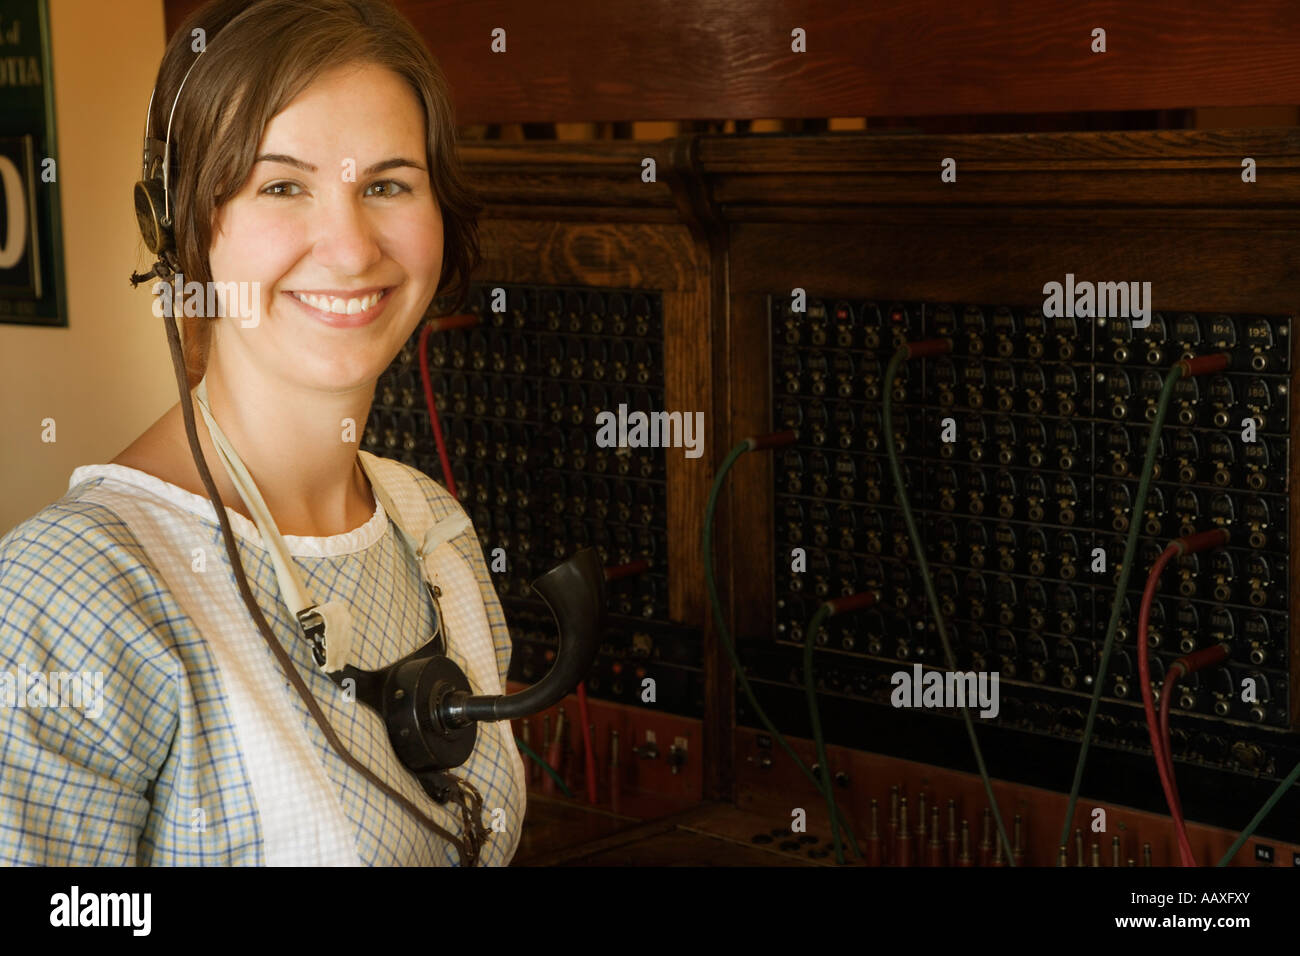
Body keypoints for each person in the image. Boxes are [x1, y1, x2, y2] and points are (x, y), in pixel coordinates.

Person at [0, 0, 525, 865]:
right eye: (282, 185)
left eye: (387, 184)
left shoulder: (432, 531)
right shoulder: (70, 595)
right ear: (177, 227)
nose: (351, 249)